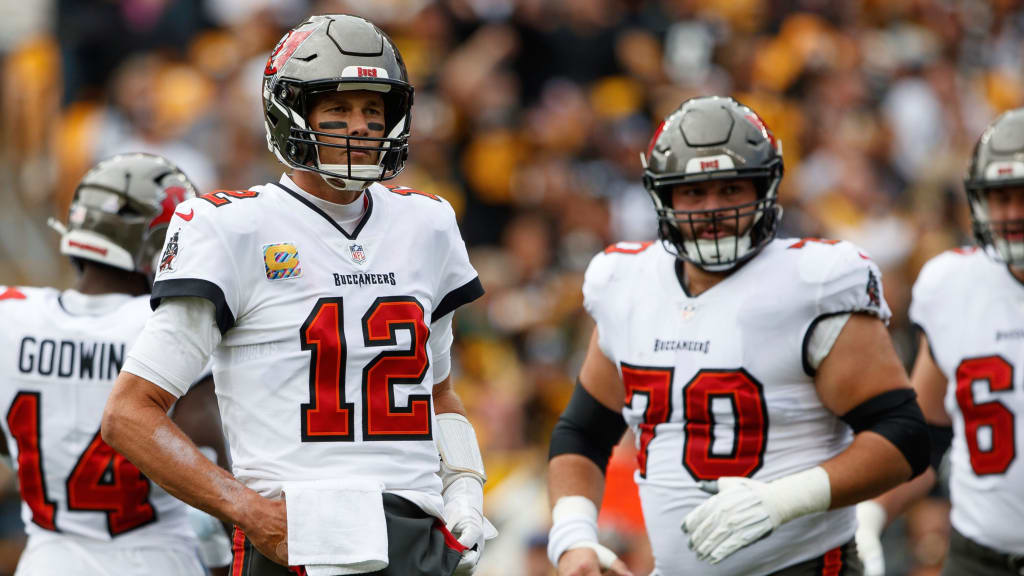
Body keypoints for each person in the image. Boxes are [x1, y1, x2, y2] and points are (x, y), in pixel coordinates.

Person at [100, 14, 492, 576]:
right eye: (338, 108)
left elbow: (440, 392)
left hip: (416, 539)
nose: (360, 126)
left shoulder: (426, 223)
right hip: (298, 539)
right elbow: (129, 413)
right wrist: (248, 512)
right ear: (291, 112)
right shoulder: (234, 227)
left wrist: (465, 488)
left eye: (373, 111)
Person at [546, 96, 931, 576]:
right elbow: (583, 433)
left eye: (731, 189)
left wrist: (785, 500)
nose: (713, 209)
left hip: (804, 567)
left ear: (765, 189)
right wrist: (574, 538)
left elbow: (905, 437)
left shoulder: (813, 283)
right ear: (664, 197)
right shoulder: (625, 283)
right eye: (693, 192)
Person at [0, 153, 231, 575]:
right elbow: (212, 469)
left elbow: (11, 441)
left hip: (47, 562)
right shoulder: (166, 325)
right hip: (156, 559)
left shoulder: (11, 316)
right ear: (162, 245)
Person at [855, 109, 1024, 576]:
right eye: (1000, 197)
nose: (1012, 214)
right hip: (980, 559)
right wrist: (869, 516)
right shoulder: (952, 285)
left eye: (1023, 195)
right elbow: (926, 439)